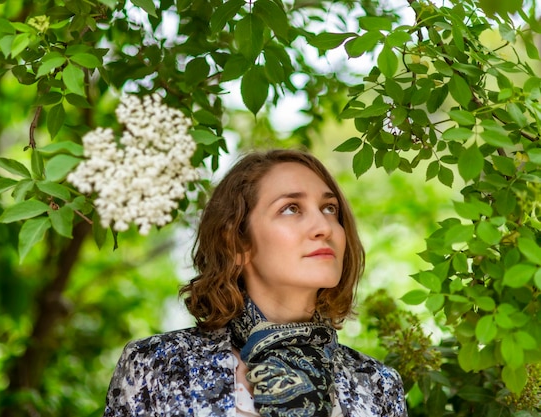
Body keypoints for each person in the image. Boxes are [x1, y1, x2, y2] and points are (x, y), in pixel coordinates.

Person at [103, 149, 408, 416]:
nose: (323, 227)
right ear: (237, 243)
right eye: (291, 208)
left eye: (330, 209)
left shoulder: (377, 384)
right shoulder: (157, 367)